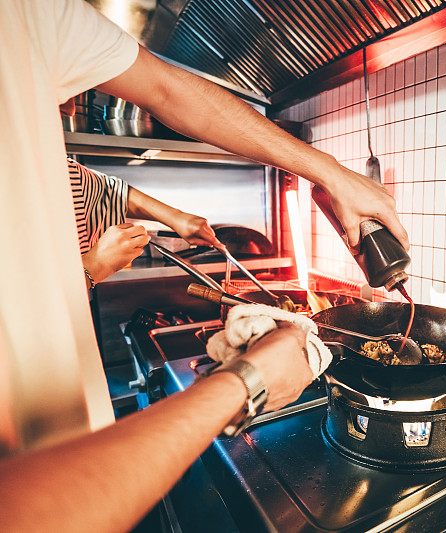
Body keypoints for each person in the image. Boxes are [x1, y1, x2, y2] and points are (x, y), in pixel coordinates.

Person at [0, 1, 407, 531]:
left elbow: (165, 90)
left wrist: (328, 172)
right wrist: (245, 381)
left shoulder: (26, 16)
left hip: (87, 451)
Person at [67, 156, 223, 287]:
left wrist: (177, 218)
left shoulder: (56, 162)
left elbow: (105, 190)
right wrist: (96, 264)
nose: (73, 116)